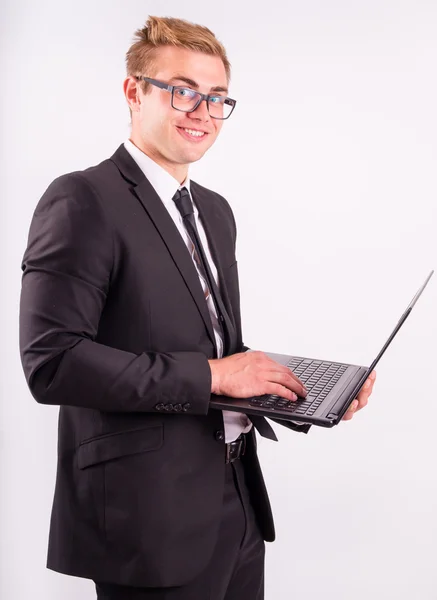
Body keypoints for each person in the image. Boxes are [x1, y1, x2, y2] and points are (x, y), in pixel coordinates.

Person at [19, 15, 376, 600]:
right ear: (135, 91)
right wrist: (216, 373)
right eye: (182, 90)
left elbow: (216, 350)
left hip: (235, 504)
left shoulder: (214, 210)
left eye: (216, 98)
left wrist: (307, 392)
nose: (202, 111)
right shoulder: (83, 199)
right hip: (147, 517)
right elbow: (53, 362)